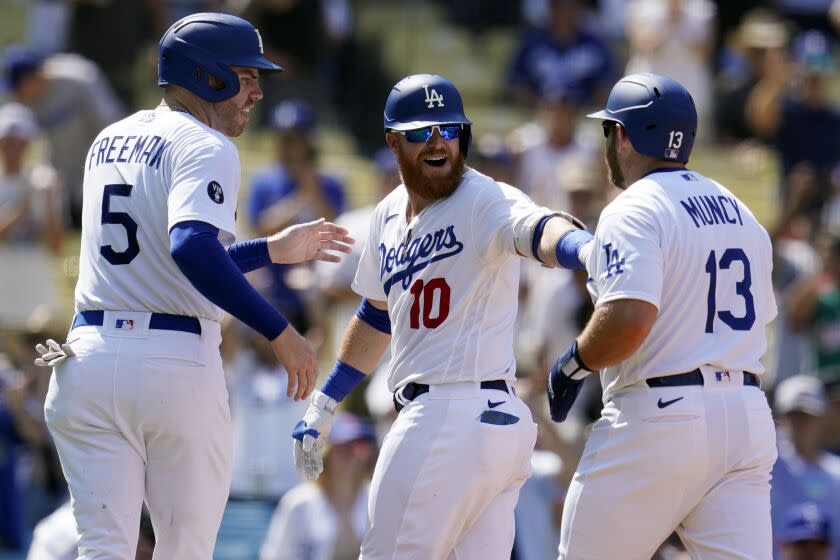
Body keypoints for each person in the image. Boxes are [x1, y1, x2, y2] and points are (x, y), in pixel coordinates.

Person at [32, 13, 353, 558]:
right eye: (246, 75)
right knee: (185, 549)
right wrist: (279, 331)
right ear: (207, 77)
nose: (255, 91)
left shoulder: (109, 138)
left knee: (103, 548)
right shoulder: (206, 144)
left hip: (86, 356)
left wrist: (272, 249)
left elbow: (171, 253)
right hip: (171, 363)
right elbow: (189, 248)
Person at [291, 73, 594, 559]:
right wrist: (325, 402)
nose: (438, 143)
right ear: (392, 141)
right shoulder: (388, 213)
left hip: (444, 415)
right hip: (486, 426)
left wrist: (586, 249)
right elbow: (376, 314)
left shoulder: (484, 198)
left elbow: (540, 228)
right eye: (421, 132)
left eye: (448, 130)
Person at [548, 73, 778, 559]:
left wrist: (574, 363)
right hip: (746, 415)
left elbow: (630, 318)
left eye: (609, 129)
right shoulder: (740, 209)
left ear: (625, 136)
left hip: (661, 414)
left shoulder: (632, 207)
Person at [261, 412, 377, 560]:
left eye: (359, 447)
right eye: (343, 447)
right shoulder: (297, 503)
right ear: (325, 452)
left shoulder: (376, 499)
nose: (351, 455)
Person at [770, 375, 840, 560]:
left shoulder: (836, 473)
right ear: (780, 417)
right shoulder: (767, 465)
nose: (799, 424)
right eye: (792, 415)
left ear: (822, 417)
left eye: (806, 416)